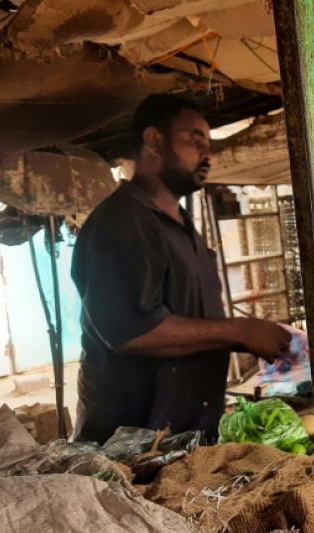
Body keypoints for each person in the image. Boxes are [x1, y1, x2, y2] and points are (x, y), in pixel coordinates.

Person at [71, 94, 291, 444]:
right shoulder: (122, 222)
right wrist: (239, 330)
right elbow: (133, 331)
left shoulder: (183, 225)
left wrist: (259, 337)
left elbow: (192, 324)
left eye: (209, 143)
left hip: (183, 441)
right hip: (128, 452)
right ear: (154, 141)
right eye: (195, 140)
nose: (208, 155)